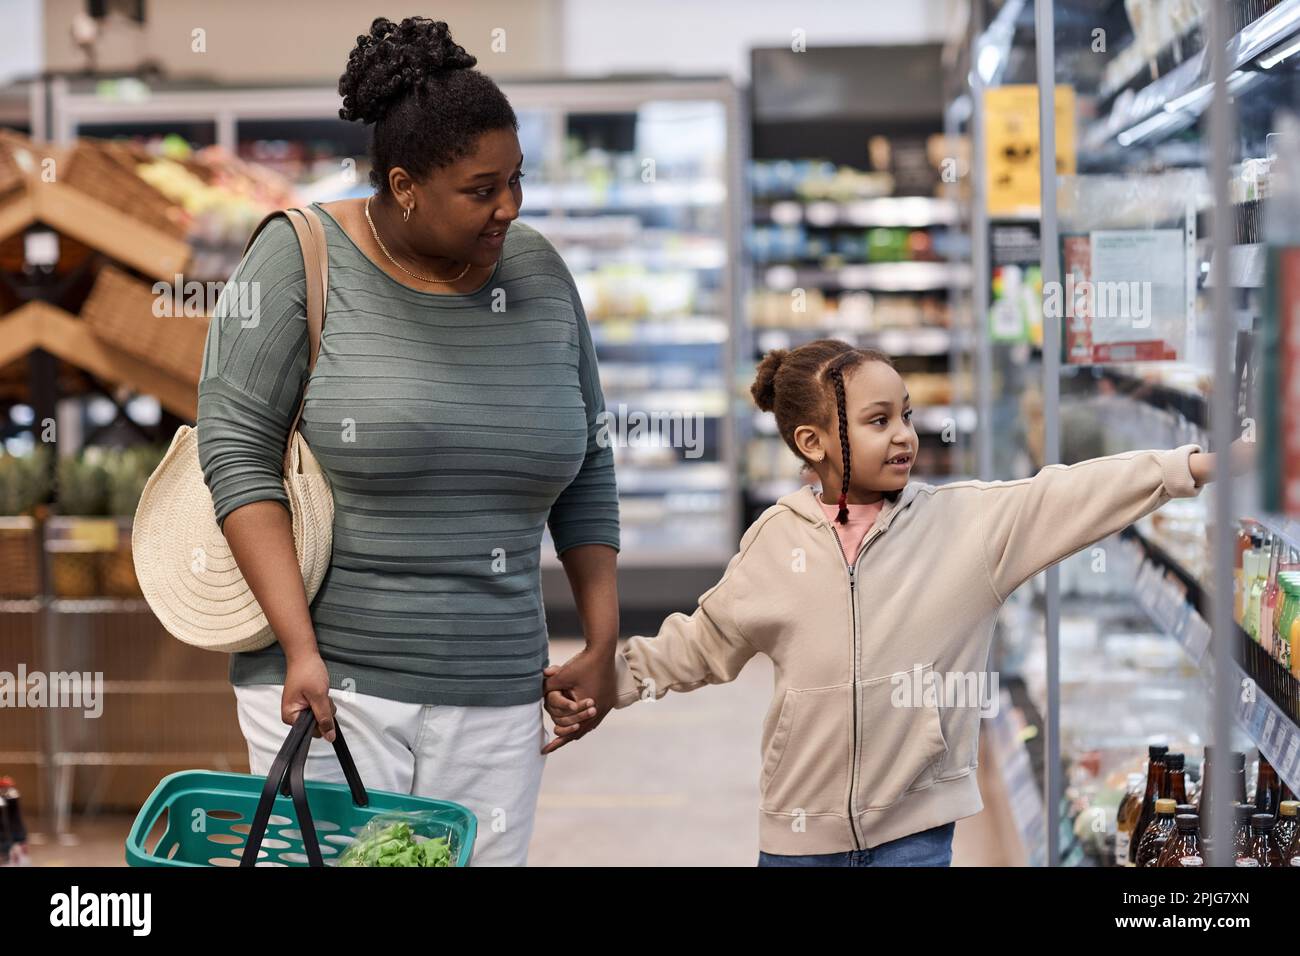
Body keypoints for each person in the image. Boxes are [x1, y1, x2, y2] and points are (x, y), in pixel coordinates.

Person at [545, 339, 1240, 866]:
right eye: (879, 420)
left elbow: (1068, 494)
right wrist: (611, 678)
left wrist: (1197, 466)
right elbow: (702, 643)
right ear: (810, 443)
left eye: (906, 414)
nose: (905, 434)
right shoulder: (774, 543)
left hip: (914, 831)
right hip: (796, 834)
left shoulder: (966, 527)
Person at [197, 16, 620, 866]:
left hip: (500, 696)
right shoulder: (300, 259)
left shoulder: (538, 275)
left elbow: (589, 465)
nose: (508, 207)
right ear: (404, 185)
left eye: (517, 181)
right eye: (481, 189)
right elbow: (235, 451)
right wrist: (299, 648)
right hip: (335, 696)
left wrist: (602, 642)